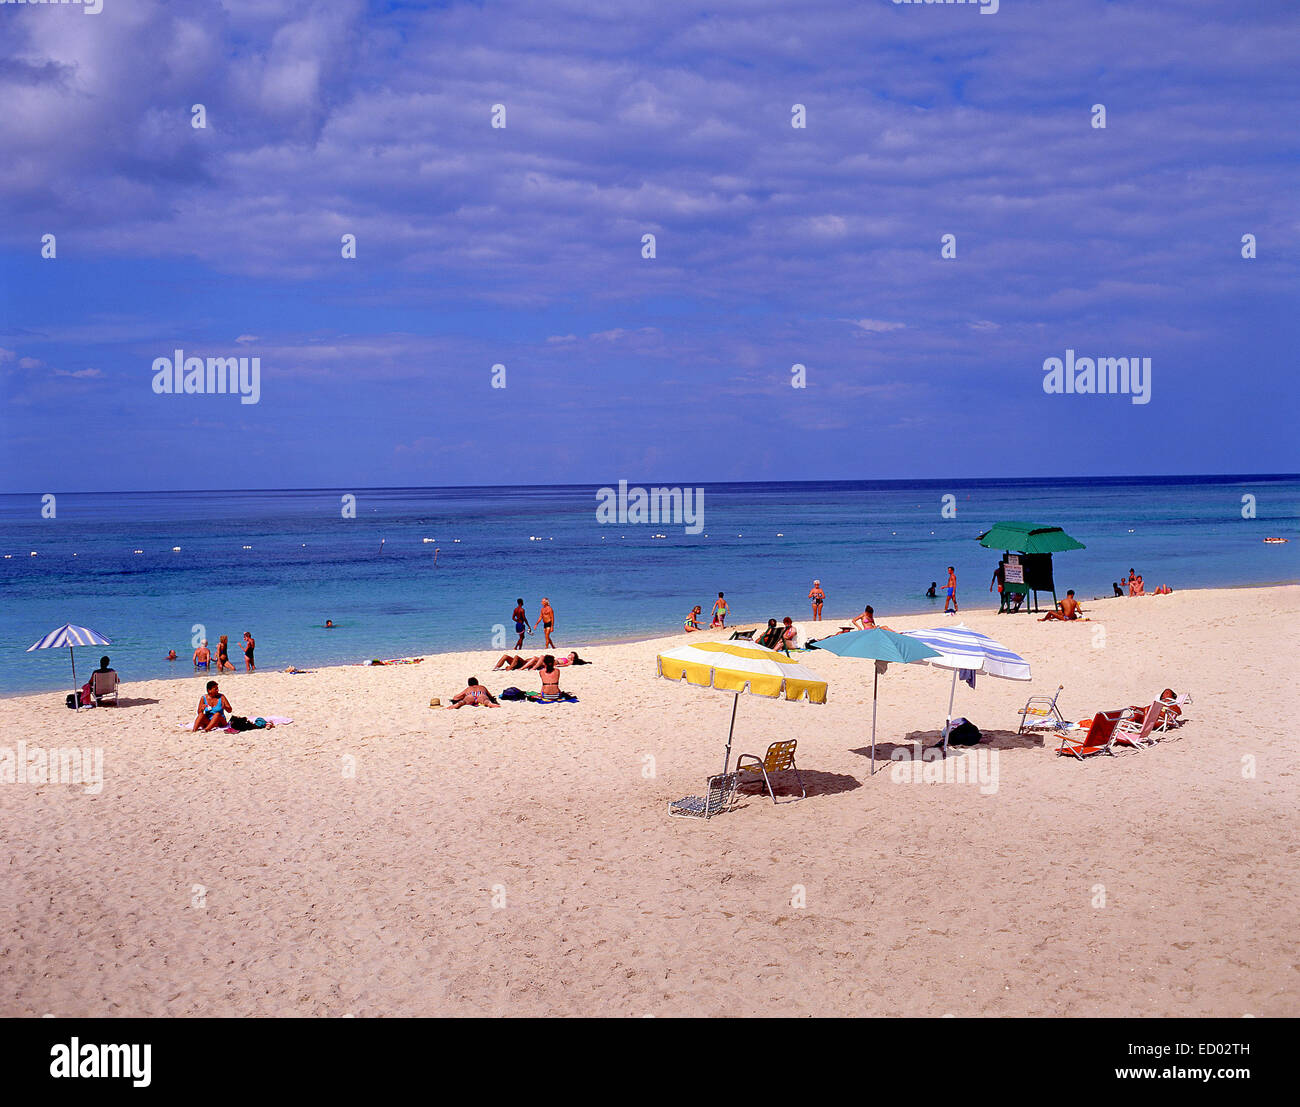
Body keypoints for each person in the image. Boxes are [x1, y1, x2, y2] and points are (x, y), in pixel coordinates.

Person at [495, 650, 587, 670]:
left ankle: (512, 668)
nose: (570, 654)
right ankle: (496, 668)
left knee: (537, 657)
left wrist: (558, 665)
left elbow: (567, 665)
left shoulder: (569, 661)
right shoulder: (564, 658)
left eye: (572, 654)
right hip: (529, 662)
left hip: (543, 662)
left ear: (574, 658)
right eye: (570, 653)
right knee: (506, 656)